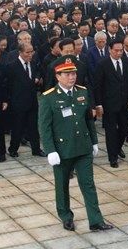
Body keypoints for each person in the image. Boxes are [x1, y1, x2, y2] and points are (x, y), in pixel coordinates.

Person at [39, 56, 113, 232]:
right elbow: (44, 126)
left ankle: (96, 220)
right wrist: (50, 150)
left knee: (88, 184)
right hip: (62, 150)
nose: (71, 77)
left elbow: (88, 119)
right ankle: (65, 216)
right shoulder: (48, 98)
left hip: (83, 146)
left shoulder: (82, 92)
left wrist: (94, 142)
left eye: (73, 73)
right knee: (62, 185)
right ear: (58, 76)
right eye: (66, 74)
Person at [93, 39, 128, 167]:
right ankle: (113, 157)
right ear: (110, 50)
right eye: (116, 50)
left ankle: (117, 148)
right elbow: (98, 86)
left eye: (121, 50)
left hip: (125, 103)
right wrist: (98, 104)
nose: (119, 53)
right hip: (109, 104)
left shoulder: (127, 62)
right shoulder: (102, 64)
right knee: (111, 132)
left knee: (125, 128)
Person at [5, 41, 45, 158]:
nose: (30, 54)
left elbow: (37, 72)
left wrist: (37, 78)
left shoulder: (32, 63)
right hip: (18, 102)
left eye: (31, 52)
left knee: (33, 127)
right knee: (18, 127)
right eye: (27, 52)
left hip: (32, 100)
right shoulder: (12, 66)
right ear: (20, 52)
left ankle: (36, 149)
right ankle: (13, 149)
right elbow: (8, 85)